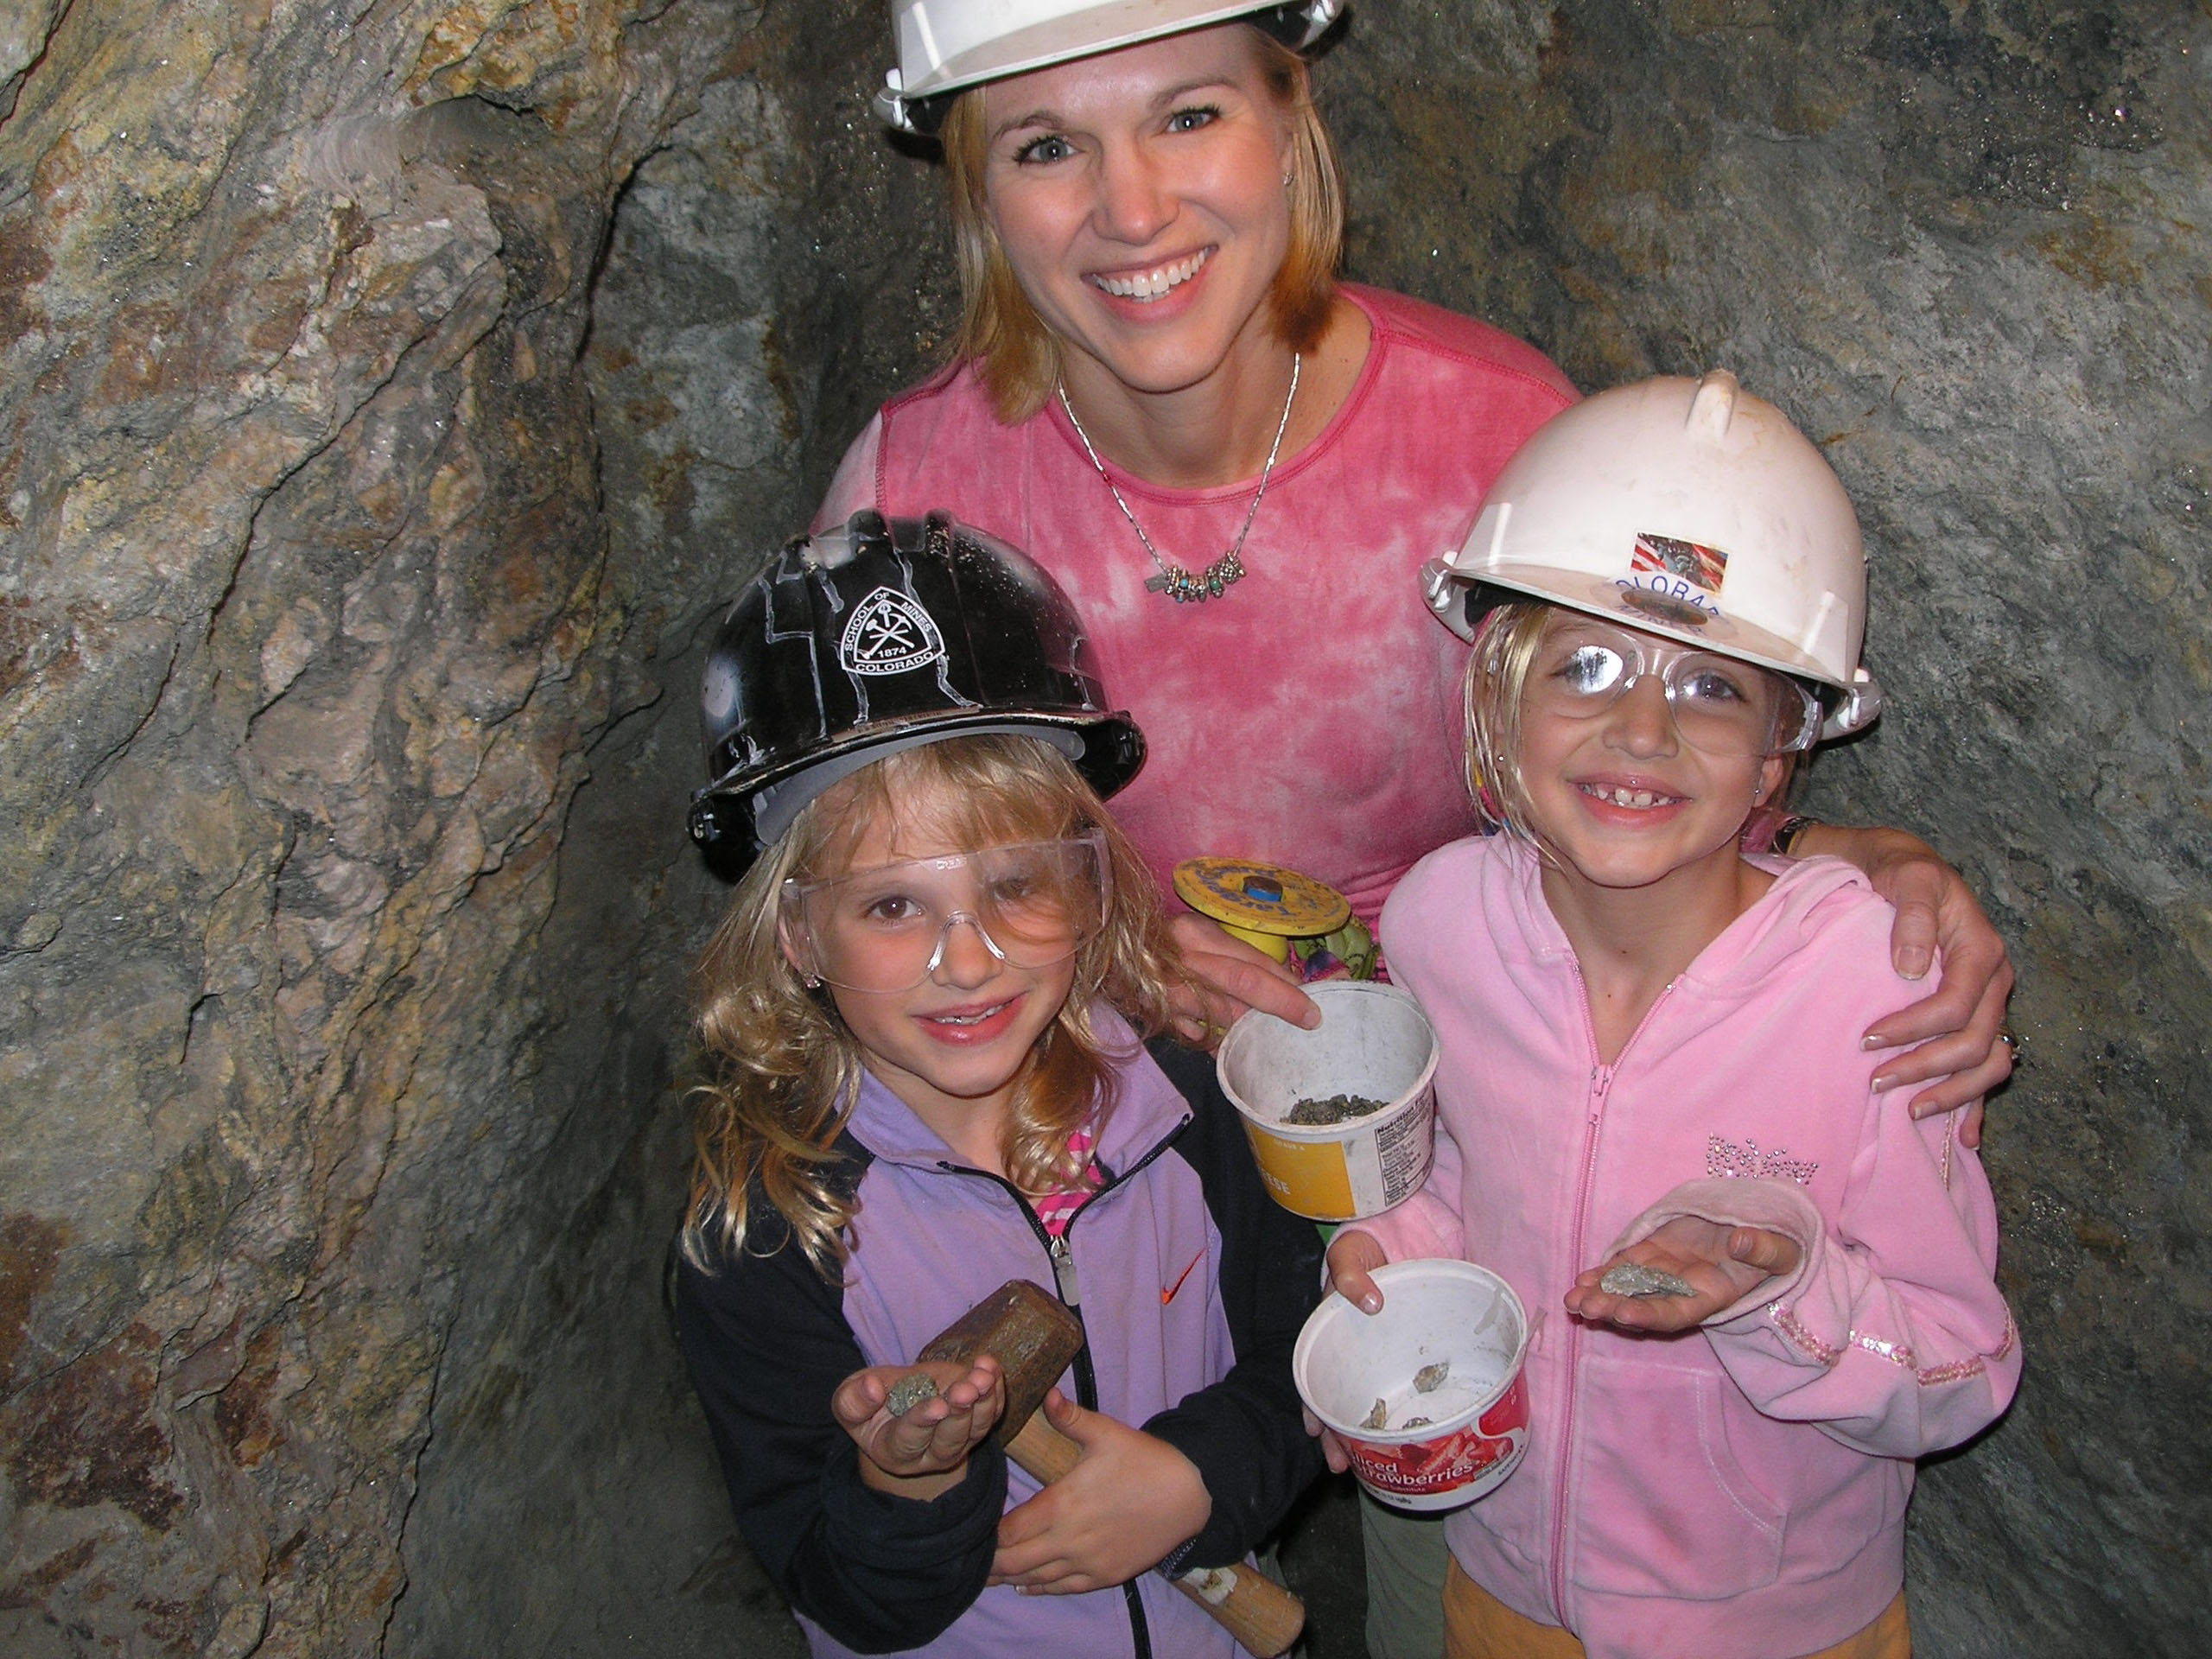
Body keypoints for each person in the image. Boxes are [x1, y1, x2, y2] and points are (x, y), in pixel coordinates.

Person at [830, 7, 2018, 1652]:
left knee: (1435, 1539)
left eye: (1186, 117)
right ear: (972, 185)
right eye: (1046, 145)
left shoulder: (1486, 436)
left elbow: (1635, 748)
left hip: (1461, 1122)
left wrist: (1839, 861)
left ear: (1290, 118)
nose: (1132, 209)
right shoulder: (915, 496)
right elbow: (843, 905)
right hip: (1088, 1138)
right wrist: (1103, 952)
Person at [1322, 372, 2022, 1659]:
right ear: (1498, 693)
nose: (1642, 730)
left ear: (1778, 752)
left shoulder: (1872, 988)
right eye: (1585, 666)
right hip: (1505, 1589)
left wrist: (1782, 1291)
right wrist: (1390, 1249)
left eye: (1712, 689)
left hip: (1776, 1624)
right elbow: (1462, 1168)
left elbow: (1962, 1370)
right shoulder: (1437, 925)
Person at [674, 512, 1325, 1657]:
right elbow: (849, 1593)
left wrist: (1195, 1478)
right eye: (891, 905)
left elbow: (1301, 1359)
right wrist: (907, 1486)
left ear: (1092, 891)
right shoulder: (767, 1234)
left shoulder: (1189, 1107)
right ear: (796, 934)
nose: (966, 959)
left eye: (1019, 884)